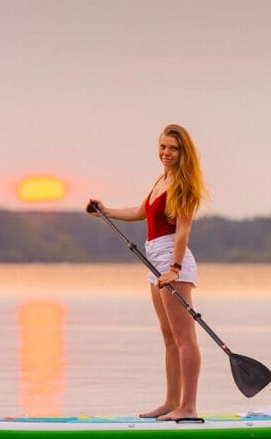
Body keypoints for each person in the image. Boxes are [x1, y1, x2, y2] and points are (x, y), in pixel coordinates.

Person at [87, 124, 206, 421]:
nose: (166, 153)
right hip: (154, 259)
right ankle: (171, 402)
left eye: (173, 148)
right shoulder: (161, 179)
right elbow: (142, 211)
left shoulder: (185, 185)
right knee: (168, 337)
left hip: (171, 259)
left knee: (184, 337)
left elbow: (182, 233)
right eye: (163, 147)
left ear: (183, 152)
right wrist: (106, 211)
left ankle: (188, 407)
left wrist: (175, 269)